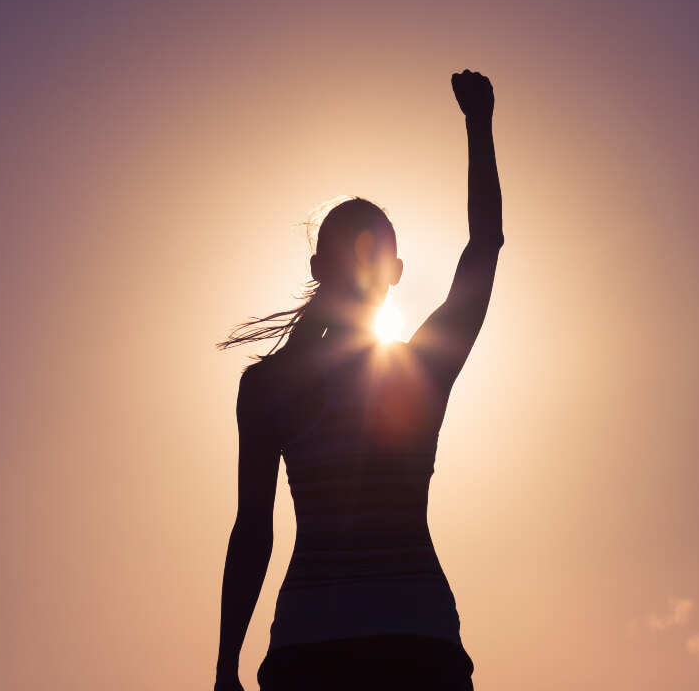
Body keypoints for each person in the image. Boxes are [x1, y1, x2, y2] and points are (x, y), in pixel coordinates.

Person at [214, 70, 503, 691]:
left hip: (310, 646)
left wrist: (224, 668)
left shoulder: (269, 386)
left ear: (318, 266)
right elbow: (485, 245)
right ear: (395, 273)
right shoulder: (423, 369)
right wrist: (479, 125)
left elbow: (252, 533)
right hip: (416, 639)